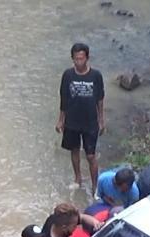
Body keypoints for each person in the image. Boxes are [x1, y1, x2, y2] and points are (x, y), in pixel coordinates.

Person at [56, 43, 105, 188]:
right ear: (72, 59)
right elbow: (64, 97)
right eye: (76, 59)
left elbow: (100, 98)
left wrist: (101, 120)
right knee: (74, 150)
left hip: (90, 121)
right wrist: (61, 120)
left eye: (81, 59)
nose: (79, 62)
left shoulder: (96, 75)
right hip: (72, 120)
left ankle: (95, 186)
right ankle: (78, 179)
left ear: (87, 58)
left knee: (90, 155)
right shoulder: (68, 75)